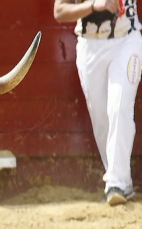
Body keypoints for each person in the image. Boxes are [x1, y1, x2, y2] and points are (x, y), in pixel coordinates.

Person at [53, 0, 142, 206]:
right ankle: (122, 182)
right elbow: (60, 11)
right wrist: (93, 6)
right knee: (102, 119)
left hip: (127, 41)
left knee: (119, 108)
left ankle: (115, 183)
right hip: (90, 46)